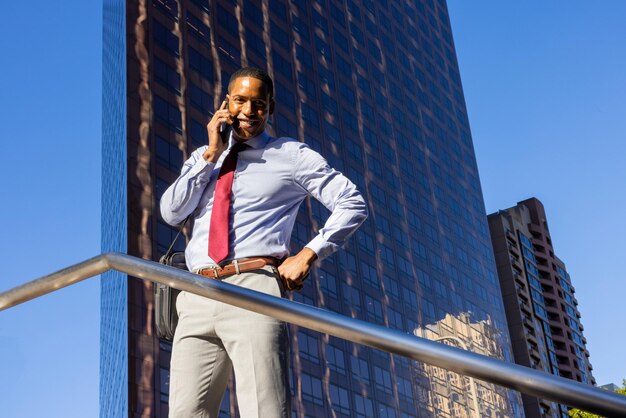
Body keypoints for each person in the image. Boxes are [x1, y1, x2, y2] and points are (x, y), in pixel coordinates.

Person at [160, 67, 367, 418]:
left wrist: (309, 252)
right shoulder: (204, 158)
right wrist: (211, 154)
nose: (248, 111)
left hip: (252, 287)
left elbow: (352, 202)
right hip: (195, 292)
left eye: (259, 103)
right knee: (184, 413)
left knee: (263, 410)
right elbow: (171, 211)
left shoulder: (289, 154)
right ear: (226, 103)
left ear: (270, 108)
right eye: (240, 100)